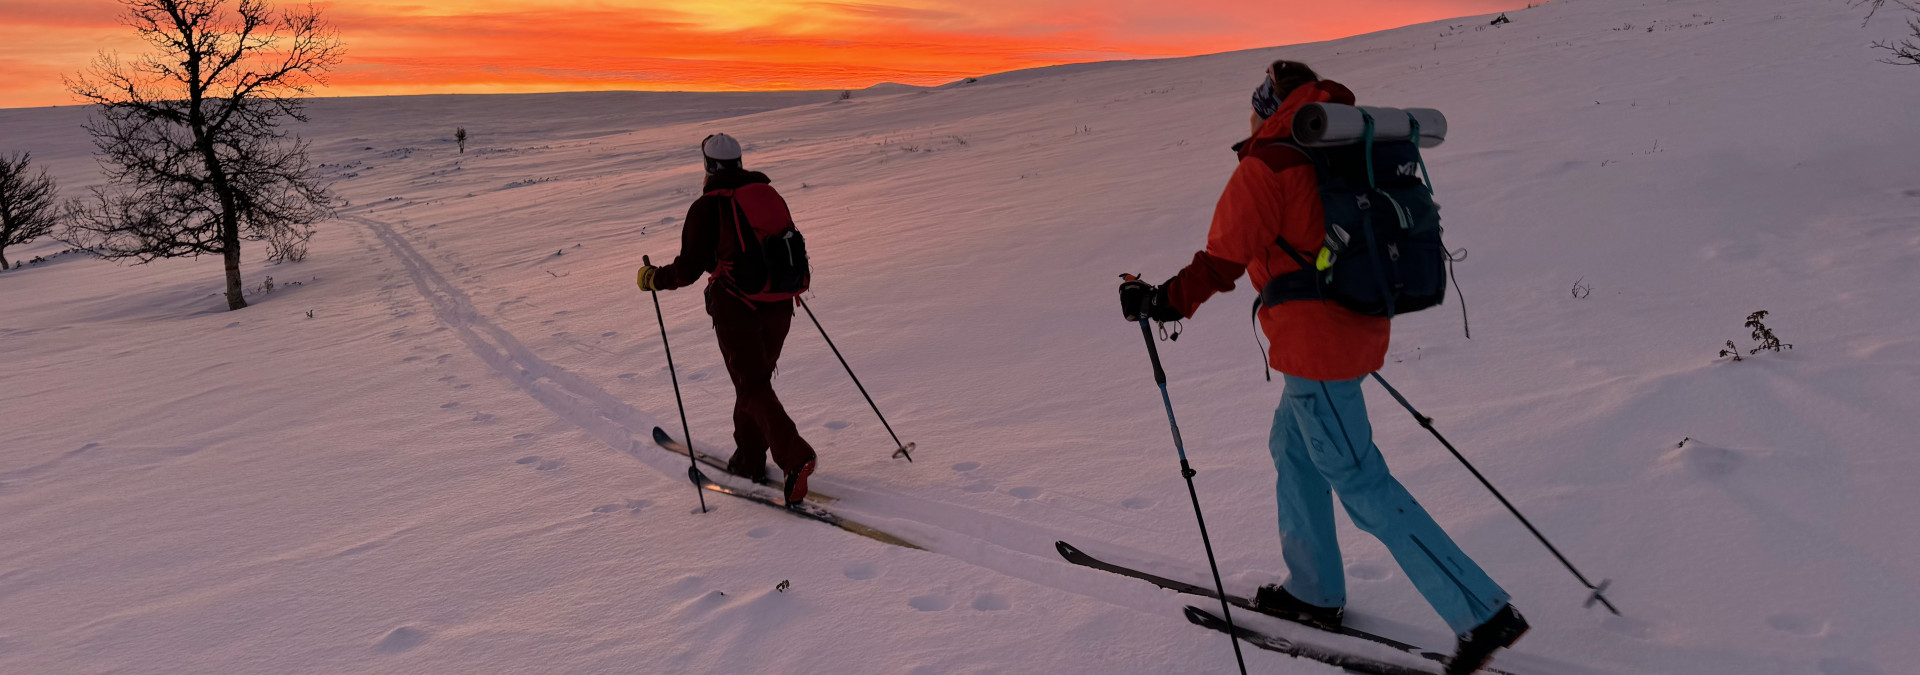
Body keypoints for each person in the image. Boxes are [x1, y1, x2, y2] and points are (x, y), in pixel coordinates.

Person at [1121, 61, 1529, 675]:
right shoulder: (1334, 151)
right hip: (1351, 326)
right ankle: (1312, 591)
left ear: (1265, 105)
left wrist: (1159, 301)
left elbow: (1220, 262)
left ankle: (1480, 611)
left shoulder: (1270, 164)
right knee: (1292, 446)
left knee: (1362, 485)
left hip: (1317, 345)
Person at [638, 133, 817, 505]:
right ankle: (749, 460)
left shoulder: (707, 206)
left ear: (708, 166)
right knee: (753, 384)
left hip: (737, 306)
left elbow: (689, 269)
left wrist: (656, 278)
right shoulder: (766, 193)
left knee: (751, 387)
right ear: (738, 161)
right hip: (781, 302)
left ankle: (795, 456)